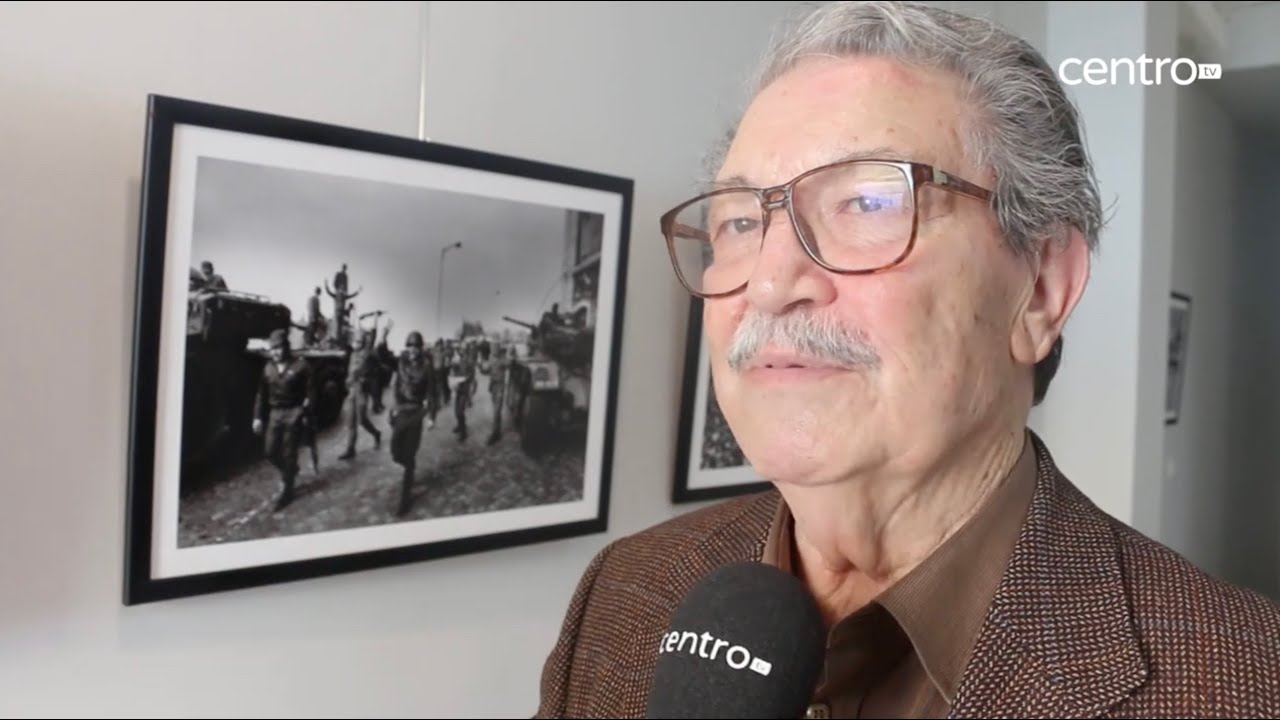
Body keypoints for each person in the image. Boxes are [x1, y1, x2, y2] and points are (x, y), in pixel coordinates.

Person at [533, 2, 1280, 719]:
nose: (768, 281)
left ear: (1042, 290)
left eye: (867, 203)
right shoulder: (625, 592)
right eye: (738, 219)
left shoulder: (1245, 684)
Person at [252, 328, 314, 512]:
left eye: (278, 348)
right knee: (270, 451)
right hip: (275, 413)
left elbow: (311, 392)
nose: (275, 352)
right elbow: (261, 395)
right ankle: (290, 470)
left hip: (293, 412)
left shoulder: (301, 366)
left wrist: (304, 411)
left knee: (289, 452)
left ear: (286, 347)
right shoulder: (268, 368)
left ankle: (287, 490)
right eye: (272, 349)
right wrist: (257, 417)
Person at [389, 330, 435, 516]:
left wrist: (431, 415)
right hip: (401, 411)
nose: (413, 349)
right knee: (395, 452)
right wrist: (392, 408)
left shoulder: (426, 367)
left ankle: (405, 497)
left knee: (409, 454)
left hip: (416, 412)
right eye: (410, 346)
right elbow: (395, 385)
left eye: (416, 346)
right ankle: (409, 465)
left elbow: (432, 392)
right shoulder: (401, 362)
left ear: (421, 348)